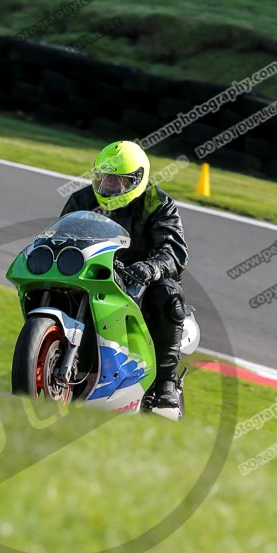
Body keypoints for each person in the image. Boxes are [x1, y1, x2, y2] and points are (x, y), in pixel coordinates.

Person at [60, 140, 189, 419]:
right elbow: (61, 236)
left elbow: (174, 252)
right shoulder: (82, 200)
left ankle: (166, 384)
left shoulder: (158, 203)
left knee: (168, 294)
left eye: (119, 181)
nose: (109, 186)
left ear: (138, 179)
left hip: (137, 280)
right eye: (104, 178)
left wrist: (151, 268)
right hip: (92, 271)